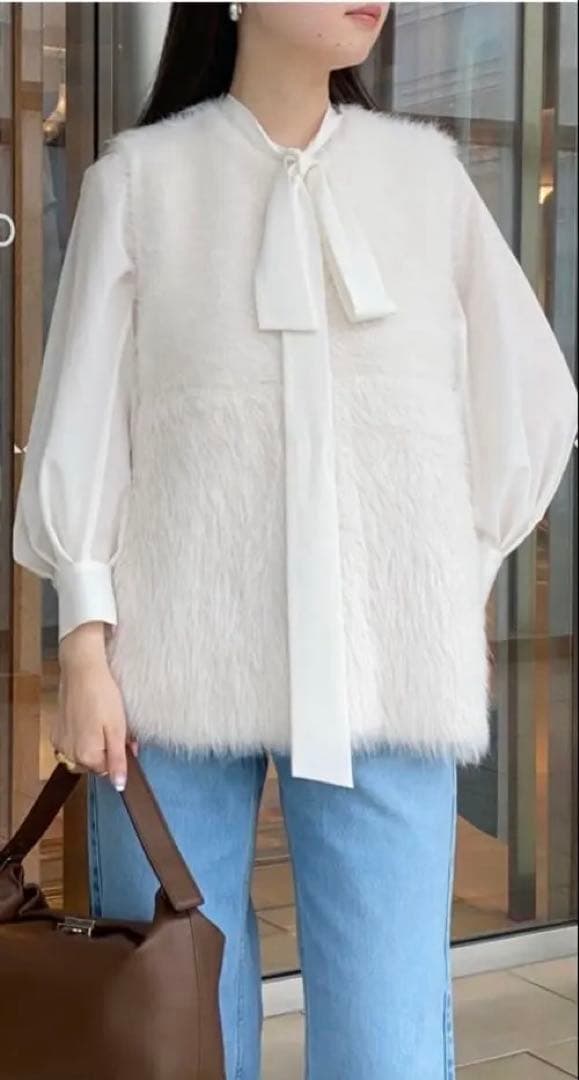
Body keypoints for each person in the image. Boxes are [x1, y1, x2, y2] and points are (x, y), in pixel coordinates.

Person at [12, 4, 578, 1078]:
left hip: (387, 671)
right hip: (169, 671)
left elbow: (533, 402)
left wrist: (451, 576)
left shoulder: (424, 180)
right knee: (174, 1029)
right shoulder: (142, 181)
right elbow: (82, 422)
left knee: (388, 1038)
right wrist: (83, 639)